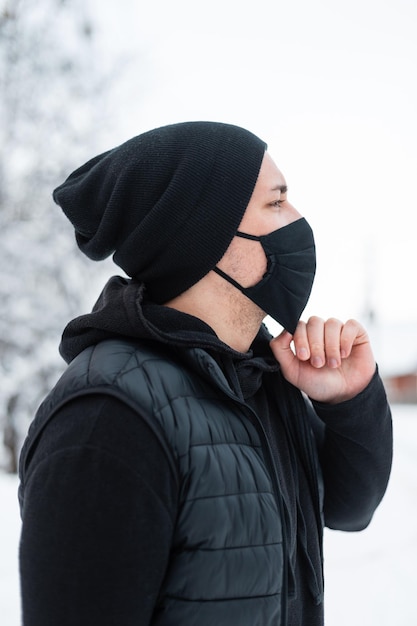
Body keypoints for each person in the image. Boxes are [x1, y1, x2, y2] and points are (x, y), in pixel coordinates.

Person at [18, 121, 393, 626]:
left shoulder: (260, 377)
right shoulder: (107, 418)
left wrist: (349, 400)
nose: (299, 220)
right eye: (277, 203)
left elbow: (350, 507)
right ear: (204, 235)